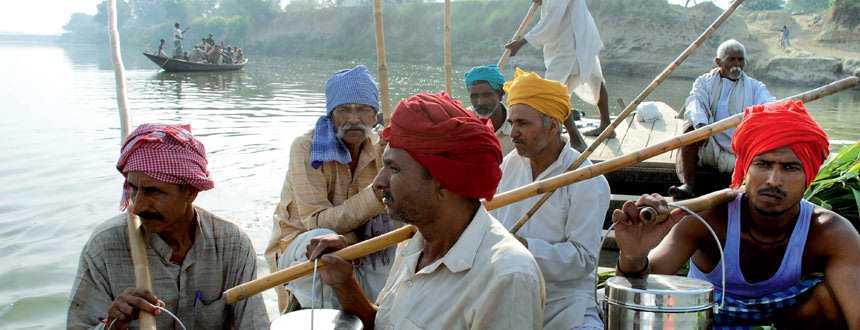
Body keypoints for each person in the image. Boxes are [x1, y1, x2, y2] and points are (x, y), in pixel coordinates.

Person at [306, 92, 546, 329]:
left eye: (394, 169)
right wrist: (344, 283)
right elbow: (386, 324)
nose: (379, 183)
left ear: (443, 181)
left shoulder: (506, 277)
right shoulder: (414, 245)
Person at [612, 100, 860, 329]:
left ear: (809, 176)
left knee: (828, 299)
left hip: (781, 323)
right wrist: (633, 255)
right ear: (744, 170)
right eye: (763, 164)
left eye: (790, 168)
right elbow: (639, 287)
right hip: (707, 322)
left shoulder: (830, 232)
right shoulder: (706, 218)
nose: (774, 180)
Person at [67, 124, 269, 330]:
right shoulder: (104, 246)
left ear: (191, 192)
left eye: (153, 192)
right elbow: (78, 326)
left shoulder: (233, 244)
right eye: (134, 189)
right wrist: (113, 326)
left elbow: (254, 324)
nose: (137, 206)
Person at [265, 65, 392, 313]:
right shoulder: (306, 147)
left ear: (375, 114)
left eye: (363, 110)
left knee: (392, 239)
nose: (353, 119)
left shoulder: (381, 147)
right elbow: (315, 222)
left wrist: (397, 155)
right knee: (323, 241)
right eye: (344, 110)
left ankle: (378, 314)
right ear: (331, 115)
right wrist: (376, 194)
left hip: (361, 244)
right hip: (303, 246)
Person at [491, 68, 610, 329]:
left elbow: (583, 260)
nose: (512, 133)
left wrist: (523, 248)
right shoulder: (506, 168)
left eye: (523, 123)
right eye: (511, 123)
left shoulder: (587, 180)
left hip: (566, 309)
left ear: (553, 126)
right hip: (509, 303)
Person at [670, 39, 776, 199]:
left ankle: (752, 188)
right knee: (690, 127)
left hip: (741, 149)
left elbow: (769, 104)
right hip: (709, 144)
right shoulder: (704, 82)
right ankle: (689, 185)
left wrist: (771, 112)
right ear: (719, 62)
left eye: (740, 60)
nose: (737, 64)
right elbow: (695, 102)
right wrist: (701, 125)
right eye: (731, 59)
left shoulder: (755, 87)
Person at [505, 0, 611, 140]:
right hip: (579, 36)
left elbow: (551, 21)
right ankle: (606, 125)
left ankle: (576, 139)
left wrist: (521, 42)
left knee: (554, 91)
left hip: (570, 42)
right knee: (595, 78)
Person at [464, 65, 515, 155]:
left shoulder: (516, 127)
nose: (480, 102)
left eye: (486, 95)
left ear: (500, 94)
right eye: (474, 96)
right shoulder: (463, 121)